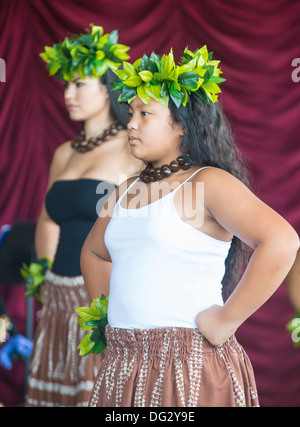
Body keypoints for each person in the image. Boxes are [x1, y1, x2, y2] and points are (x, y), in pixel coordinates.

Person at [80, 46, 299, 407]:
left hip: (188, 363)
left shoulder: (209, 183)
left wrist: (227, 320)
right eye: (131, 112)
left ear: (181, 125)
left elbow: (282, 241)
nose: (131, 123)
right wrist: (113, 317)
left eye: (145, 113)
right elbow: (94, 253)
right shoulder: (125, 191)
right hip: (124, 363)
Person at [25, 25, 142, 407]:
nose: (68, 94)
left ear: (107, 88)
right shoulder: (64, 152)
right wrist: (44, 275)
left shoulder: (133, 145)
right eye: (65, 86)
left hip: (102, 298)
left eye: (79, 84)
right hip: (57, 295)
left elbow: (143, 225)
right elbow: (47, 220)